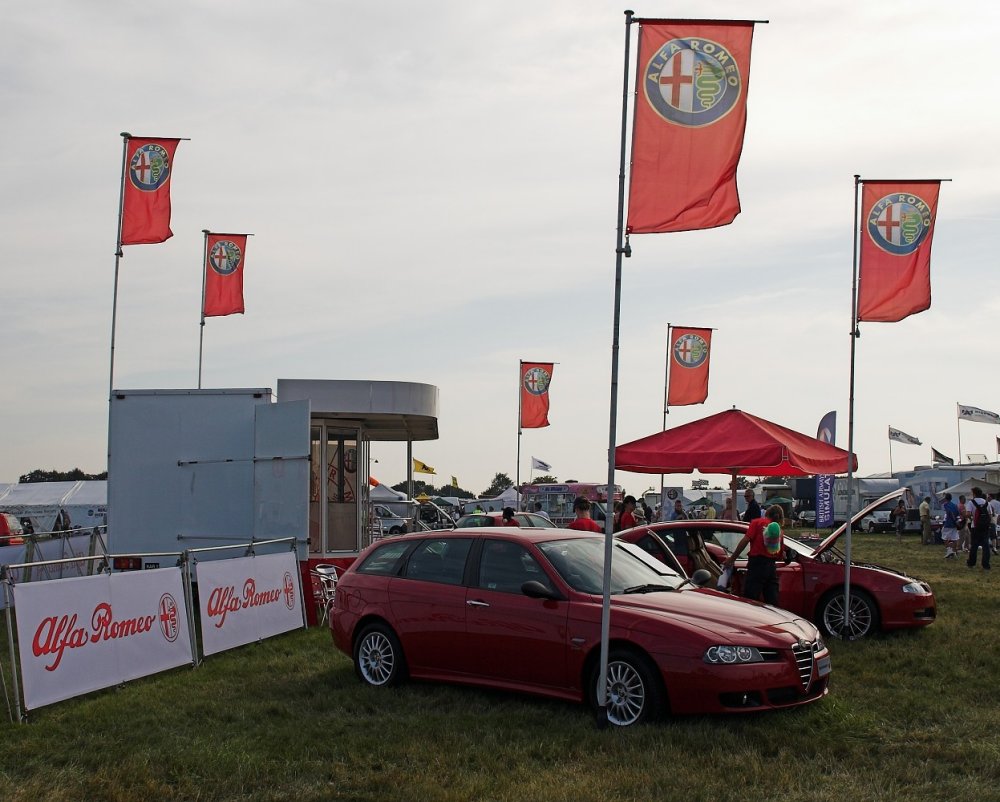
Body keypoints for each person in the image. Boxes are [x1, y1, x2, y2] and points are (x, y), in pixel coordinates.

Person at [724, 504, 784, 605]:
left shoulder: (757, 523)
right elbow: (780, 554)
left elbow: (745, 541)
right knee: (772, 601)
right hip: (771, 567)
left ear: (767, 513)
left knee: (750, 600)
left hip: (757, 565)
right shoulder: (778, 530)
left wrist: (732, 559)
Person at [966, 487, 991, 570]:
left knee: (974, 545)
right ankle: (986, 564)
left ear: (974, 494)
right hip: (985, 527)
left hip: (975, 526)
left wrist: (973, 518)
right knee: (986, 546)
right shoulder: (987, 503)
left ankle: (971, 563)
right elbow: (990, 515)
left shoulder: (971, 503)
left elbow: (968, 513)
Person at [941, 492, 960, 558]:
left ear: (946, 498)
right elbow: (958, 514)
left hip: (948, 523)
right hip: (954, 524)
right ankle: (954, 551)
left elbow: (949, 512)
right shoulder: (955, 505)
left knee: (945, 537)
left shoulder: (946, 504)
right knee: (954, 538)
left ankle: (949, 550)